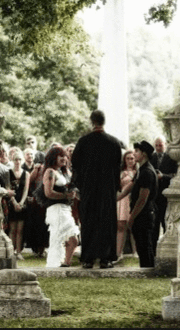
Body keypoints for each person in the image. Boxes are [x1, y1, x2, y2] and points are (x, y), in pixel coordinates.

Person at [72, 110, 122, 269]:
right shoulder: (114, 143)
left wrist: (80, 187)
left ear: (92, 122)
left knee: (88, 222)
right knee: (106, 222)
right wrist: (114, 187)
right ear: (103, 122)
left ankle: (88, 258)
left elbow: (76, 167)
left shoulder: (83, 142)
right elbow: (117, 168)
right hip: (107, 190)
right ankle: (106, 258)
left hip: (89, 189)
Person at [117, 140, 158, 267]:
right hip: (141, 214)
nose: (134, 154)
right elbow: (131, 185)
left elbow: (142, 198)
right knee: (142, 246)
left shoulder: (147, 172)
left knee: (144, 246)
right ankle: (146, 269)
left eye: (137, 151)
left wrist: (132, 217)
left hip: (144, 214)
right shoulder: (141, 170)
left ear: (144, 154)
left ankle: (148, 271)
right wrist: (116, 198)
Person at [42, 146, 80, 268]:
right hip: (56, 210)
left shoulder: (63, 172)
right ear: (54, 157)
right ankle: (57, 264)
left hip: (65, 209)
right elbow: (48, 193)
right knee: (64, 239)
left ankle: (64, 264)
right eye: (61, 156)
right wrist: (66, 195)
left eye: (65, 156)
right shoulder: (50, 172)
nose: (64, 158)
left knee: (70, 239)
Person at [149, 135, 178, 255]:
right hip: (155, 197)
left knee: (166, 224)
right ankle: (154, 252)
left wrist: (163, 176)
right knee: (154, 227)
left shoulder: (171, 158)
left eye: (160, 145)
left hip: (166, 197)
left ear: (165, 145)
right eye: (156, 145)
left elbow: (175, 176)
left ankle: (169, 251)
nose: (158, 147)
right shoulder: (152, 158)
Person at [7, 150, 30, 260]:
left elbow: (26, 189)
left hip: (22, 202)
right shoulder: (8, 172)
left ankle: (19, 251)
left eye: (20, 159)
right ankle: (11, 251)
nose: (18, 161)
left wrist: (21, 203)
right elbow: (8, 189)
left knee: (20, 229)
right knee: (12, 229)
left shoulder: (26, 174)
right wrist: (14, 202)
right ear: (13, 160)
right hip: (12, 202)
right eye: (16, 159)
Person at [116, 150, 138, 260]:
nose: (130, 161)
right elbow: (117, 187)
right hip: (122, 200)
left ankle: (135, 252)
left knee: (133, 226)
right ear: (124, 160)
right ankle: (118, 253)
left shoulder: (137, 172)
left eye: (132, 158)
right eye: (128, 158)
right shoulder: (121, 172)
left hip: (133, 200)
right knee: (121, 226)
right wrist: (121, 179)